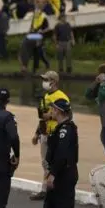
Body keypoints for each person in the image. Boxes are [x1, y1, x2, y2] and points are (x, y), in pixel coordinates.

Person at [35, 99, 78, 208]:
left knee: (65, 206)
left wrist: (52, 174)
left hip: (64, 173)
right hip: (55, 171)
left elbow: (62, 154)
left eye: (52, 109)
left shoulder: (66, 129)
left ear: (58, 111)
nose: (50, 112)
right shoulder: (58, 128)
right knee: (50, 205)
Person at [30, 71, 69, 201]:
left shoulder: (61, 97)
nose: (44, 82)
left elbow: (68, 116)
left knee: (56, 162)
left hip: (56, 134)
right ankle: (46, 189)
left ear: (54, 81)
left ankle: (53, 189)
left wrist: (51, 116)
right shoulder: (45, 96)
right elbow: (42, 118)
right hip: (45, 133)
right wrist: (37, 133)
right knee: (45, 163)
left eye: (47, 79)